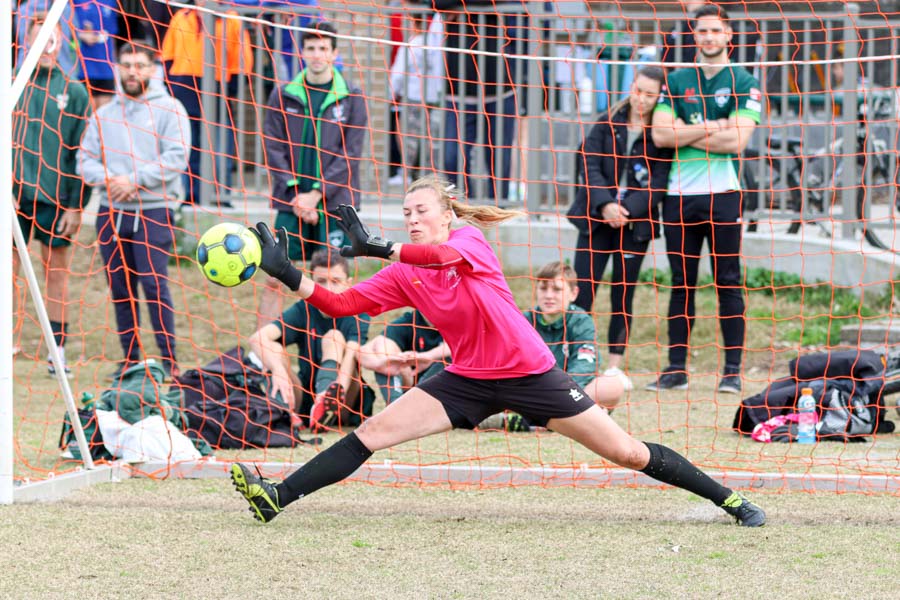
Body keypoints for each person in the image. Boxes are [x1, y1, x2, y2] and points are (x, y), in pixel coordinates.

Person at [229, 174, 766, 528]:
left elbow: (438, 255)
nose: (412, 217)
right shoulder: (404, 271)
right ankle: (277, 497)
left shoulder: (468, 244)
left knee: (628, 452)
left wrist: (381, 246)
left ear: (446, 215)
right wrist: (286, 273)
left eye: (421, 210)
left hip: (532, 374)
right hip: (466, 379)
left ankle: (729, 500)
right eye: (405, 211)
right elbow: (342, 305)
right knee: (370, 433)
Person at [649, 4, 762, 394]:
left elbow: (738, 140)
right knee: (681, 283)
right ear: (694, 36)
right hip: (679, 196)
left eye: (716, 31)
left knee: (728, 282)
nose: (709, 37)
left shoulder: (745, 80)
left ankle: (732, 370)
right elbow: (662, 136)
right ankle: (676, 368)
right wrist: (717, 126)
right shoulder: (677, 79)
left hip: (724, 195)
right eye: (703, 31)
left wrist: (689, 128)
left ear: (729, 35)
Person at [77, 42, 191, 381]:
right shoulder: (104, 114)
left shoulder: (171, 109)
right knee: (119, 286)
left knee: (154, 285)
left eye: (139, 65)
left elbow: (176, 157)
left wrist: (136, 181)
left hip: (154, 209)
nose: (132, 71)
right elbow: (84, 160)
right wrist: (113, 181)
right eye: (126, 65)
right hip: (112, 209)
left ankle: (169, 360)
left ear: (153, 69)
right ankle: (129, 360)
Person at [257, 21, 368, 328]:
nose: (317, 55)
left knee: (333, 281)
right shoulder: (282, 94)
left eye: (323, 49)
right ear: (302, 52)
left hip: (335, 203)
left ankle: (338, 347)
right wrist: (296, 194)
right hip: (291, 201)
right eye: (311, 48)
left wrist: (316, 194)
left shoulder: (353, 97)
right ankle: (261, 356)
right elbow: (272, 146)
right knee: (275, 277)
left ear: (335, 53)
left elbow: (351, 154)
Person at [567, 66, 672, 373]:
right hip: (596, 220)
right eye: (638, 90)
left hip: (634, 225)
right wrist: (605, 205)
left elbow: (660, 181)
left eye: (650, 94)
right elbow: (590, 166)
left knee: (623, 293)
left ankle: (614, 365)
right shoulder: (606, 124)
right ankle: (573, 358)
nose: (641, 99)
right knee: (581, 290)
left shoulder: (661, 134)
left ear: (659, 97)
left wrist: (629, 210)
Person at [12, 20, 91, 373]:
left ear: (61, 46)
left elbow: (81, 152)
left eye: (52, 40)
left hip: (55, 198)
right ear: (25, 43)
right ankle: (8, 342)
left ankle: (56, 351)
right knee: (8, 270)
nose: (46, 46)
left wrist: (76, 204)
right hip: (13, 196)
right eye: (38, 39)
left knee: (56, 272)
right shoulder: (12, 86)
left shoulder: (74, 93)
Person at [248, 249, 374, 430]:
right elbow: (257, 339)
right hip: (305, 398)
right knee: (274, 349)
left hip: (347, 397)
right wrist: (278, 370)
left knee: (334, 337)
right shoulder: (304, 309)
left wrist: (334, 398)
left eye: (336, 281)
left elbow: (350, 361)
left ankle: (326, 403)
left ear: (348, 284)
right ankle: (284, 413)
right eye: (321, 282)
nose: (329, 288)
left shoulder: (358, 310)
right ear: (311, 284)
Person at [160, 0, 254, 206]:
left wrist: (229, 90)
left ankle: (221, 195)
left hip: (217, 89)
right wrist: (172, 86)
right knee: (189, 146)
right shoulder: (180, 17)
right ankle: (191, 196)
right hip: (184, 88)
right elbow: (167, 55)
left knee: (220, 147)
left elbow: (243, 60)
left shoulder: (232, 19)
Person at [432, 0, 526, 202]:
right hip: (458, 92)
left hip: (501, 90)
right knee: (451, 158)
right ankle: (466, 207)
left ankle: (496, 210)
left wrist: (461, 6)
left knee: (498, 163)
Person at [523, 261, 632, 413]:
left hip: (572, 391)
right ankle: (565, 415)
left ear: (573, 293)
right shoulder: (523, 320)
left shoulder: (581, 321)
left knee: (612, 385)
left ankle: (552, 414)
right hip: (533, 391)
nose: (548, 295)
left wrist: (559, 392)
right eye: (543, 288)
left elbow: (585, 367)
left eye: (556, 289)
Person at [389, 10, 444, 182]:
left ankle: (405, 174)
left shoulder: (412, 45)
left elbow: (398, 73)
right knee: (431, 140)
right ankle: (429, 176)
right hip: (434, 98)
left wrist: (392, 92)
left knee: (409, 139)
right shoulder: (438, 46)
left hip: (413, 97)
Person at [358, 309, 450, 406]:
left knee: (450, 359)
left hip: (448, 398)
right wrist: (381, 362)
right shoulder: (410, 321)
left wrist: (429, 356)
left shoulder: (459, 319)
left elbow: (465, 345)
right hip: (410, 389)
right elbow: (364, 350)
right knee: (387, 360)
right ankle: (395, 408)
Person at [72, 0, 119, 109]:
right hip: (83, 69)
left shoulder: (111, 2)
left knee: (104, 117)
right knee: (88, 117)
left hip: (105, 69)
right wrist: (80, 35)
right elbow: (65, 29)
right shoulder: (73, 2)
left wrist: (114, 66)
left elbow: (112, 34)